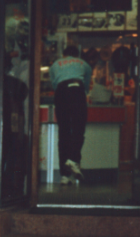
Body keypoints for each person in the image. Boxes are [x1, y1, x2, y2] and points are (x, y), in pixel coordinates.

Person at [50, 45, 92, 185]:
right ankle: (73, 160)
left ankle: (64, 176)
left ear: (64, 54)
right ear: (77, 55)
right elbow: (86, 86)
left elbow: (54, 84)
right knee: (79, 129)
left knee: (64, 132)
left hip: (61, 93)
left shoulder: (55, 64)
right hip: (77, 92)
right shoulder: (84, 64)